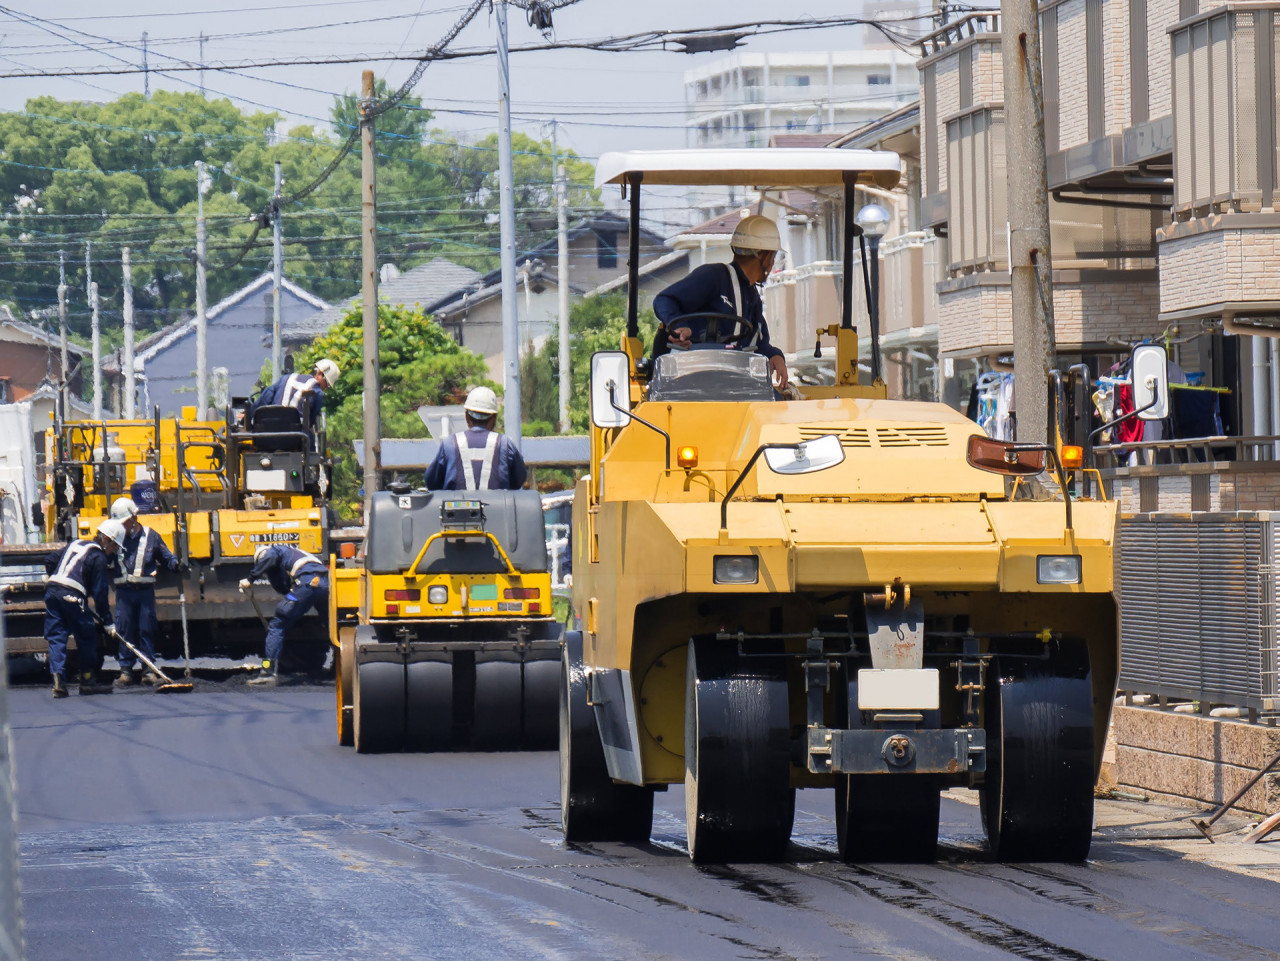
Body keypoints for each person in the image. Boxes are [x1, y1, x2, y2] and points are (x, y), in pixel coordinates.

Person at [652, 214, 790, 391]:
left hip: (731, 381)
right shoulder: (713, 277)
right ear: (763, 256)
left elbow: (758, 344)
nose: (772, 265)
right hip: (690, 378)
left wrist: (775, 356)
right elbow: (664, 300)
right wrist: (679, 325)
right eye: (773, 257)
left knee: (775, 402)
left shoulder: (752, 298)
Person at [43, 519, 126, 698]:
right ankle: (87, 681)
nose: (114, 551)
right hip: (72, 595)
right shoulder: (99, 557)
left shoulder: (75, 543)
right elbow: (100, 593)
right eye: (114, 546)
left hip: (52, 591)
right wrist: (108, 622)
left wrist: (52, 576)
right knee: (87, 636)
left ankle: (58, 681)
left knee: (57, 636)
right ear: (106, 539)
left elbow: (50, 560)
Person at [109, 497, 181, 688]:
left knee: (146, 629)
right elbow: (101, 554)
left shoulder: (151, 536)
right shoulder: (114, 537)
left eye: (124, 522)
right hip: (124, 593)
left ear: (134, 519)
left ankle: (148, 670)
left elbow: (166, 557)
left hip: (144, 593)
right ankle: (125, 671)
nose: (121, 526)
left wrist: (175, 564)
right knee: (124, 630)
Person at [238, 543, 330, 688]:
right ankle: (341, 667)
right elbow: (283, 587)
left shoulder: (274, 551)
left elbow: (270, 557)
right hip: (324, 585)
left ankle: (268, 674)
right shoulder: (298, 554)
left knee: (276, 625)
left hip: (307, 584)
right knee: (332, 624)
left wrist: (250, 579)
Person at [424, 386, 527, 491]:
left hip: (456, 506)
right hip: (498, 507)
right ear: (493, 418)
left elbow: (432, 482)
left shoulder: (450, 444)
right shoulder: (504, 444)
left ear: (467, 417)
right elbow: (519, 479)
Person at [253, 358, 341, 434]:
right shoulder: (317, 393)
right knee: (312, 443)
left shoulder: (286, 378)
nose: (325, 388)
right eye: (327, 385)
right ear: (320, 374)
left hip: (268, 432)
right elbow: (311, 422)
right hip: (295, 438)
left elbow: (265, 398)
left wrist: (248, 416)